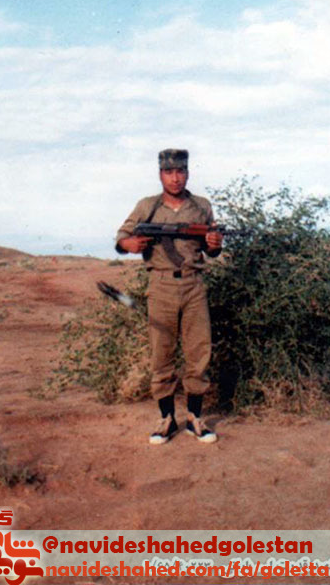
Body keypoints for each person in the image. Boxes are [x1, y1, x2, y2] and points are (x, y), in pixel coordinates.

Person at [115, 149, 223, 445]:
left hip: (193, 285)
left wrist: (214, 244)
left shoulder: (201, 206)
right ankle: (166, 419)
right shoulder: (147, 206)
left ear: (187, 173)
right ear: (160, 174)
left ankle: (195, 418)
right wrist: (130, 244)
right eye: (169, 172)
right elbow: (121, 238)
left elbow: (212, 249)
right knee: (161, 353)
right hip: (160, 286)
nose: (175, 178)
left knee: (199, 351)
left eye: (180, 172)